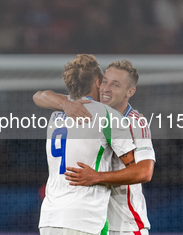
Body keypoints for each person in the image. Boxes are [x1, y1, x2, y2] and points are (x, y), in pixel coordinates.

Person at [34, 59, 155, 235]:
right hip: (94, 222)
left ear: (130, 91)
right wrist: (64, 103)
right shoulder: (80, 109)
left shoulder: (136, 122)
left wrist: (97, 177)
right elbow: (39, 96)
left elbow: (144, 172)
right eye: (105, 81)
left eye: (115, 85)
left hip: (125, 225)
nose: (106, 88)